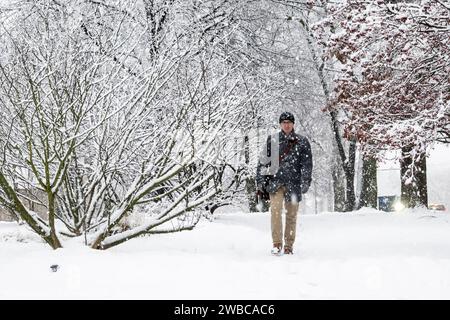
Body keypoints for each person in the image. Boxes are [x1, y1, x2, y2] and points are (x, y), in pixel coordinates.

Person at [256, 111, 313, 255]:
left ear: (293, 124)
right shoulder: (273, 140)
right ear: (280, 124)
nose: (286, 125)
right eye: (284, 122)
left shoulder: (302, 141)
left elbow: (307, 164)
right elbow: (263, 162)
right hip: (276, 183)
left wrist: (305, 181)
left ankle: (289, 245)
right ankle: (277, 243)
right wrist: (261, 180)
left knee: (291, 215)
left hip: (294, 184)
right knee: (275, 212)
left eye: (289, 122)